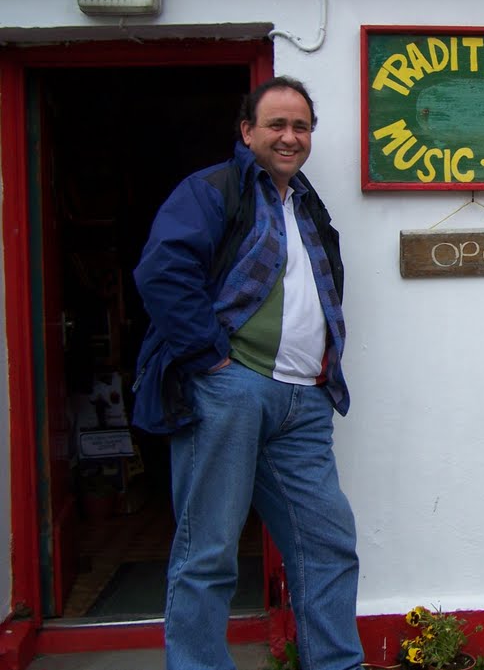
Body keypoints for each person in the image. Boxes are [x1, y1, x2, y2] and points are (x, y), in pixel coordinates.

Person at [132, 76, 362, 670]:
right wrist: (211, 358)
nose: (290, 137)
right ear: (247, 132)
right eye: (276, 125)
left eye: (301, 126)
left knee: (328, 544)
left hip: (304, 401)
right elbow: (162, 273)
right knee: (208, 550)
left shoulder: (306, 205)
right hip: (229, 392)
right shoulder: (211, 191)